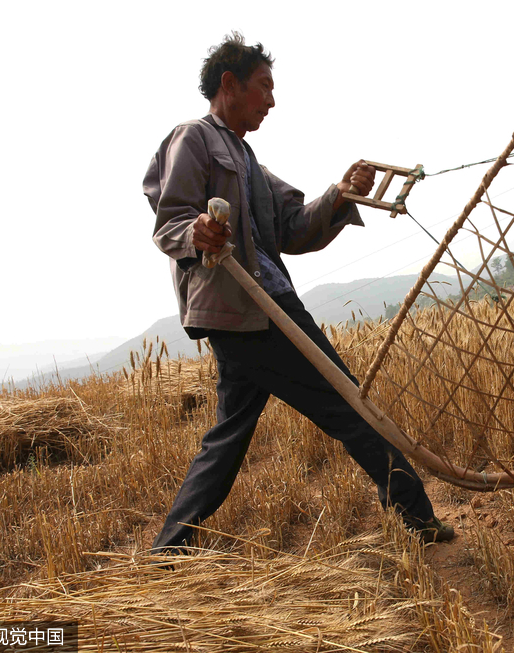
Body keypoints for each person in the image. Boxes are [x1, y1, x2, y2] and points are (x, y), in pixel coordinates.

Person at [142, 32, 453, 552]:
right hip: (253, 307)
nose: (271, 99)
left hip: (252, 311)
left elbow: (294, 227)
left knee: (227, 439)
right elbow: (169, 220)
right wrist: (196, 231)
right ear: (229, 84)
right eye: (264, 86)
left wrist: (341, 192)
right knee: (349, 402)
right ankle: (416, 514)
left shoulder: (250, 164)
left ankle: (169, 550)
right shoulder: (193, 138)